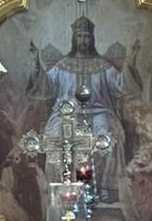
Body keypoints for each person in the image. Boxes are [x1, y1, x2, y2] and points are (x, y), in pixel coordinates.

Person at [27, 13, 141, 204]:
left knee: (108, 137)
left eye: (86, 36)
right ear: (74, 38)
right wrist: (36, 63)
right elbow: (46, 86)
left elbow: (122, 85)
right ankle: (62, 188)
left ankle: (105, 188)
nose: (83, 40)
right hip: (65, 114)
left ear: (92, 38)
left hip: (99, 113)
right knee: (56, 137)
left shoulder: (103, 66)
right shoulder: (62, 65)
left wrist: (131, 60)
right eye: (80, 36)